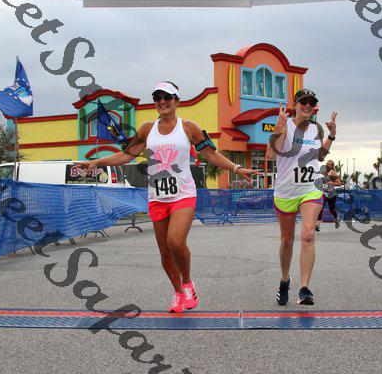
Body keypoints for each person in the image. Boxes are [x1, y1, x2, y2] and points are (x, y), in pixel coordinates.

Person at [78, 81, 259, 313]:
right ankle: (177, 292)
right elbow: (126, 155)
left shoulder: (189, 128)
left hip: (183, 193)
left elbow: (211, 154)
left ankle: (188, 284)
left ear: (176, 101)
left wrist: (236, 168)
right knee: (165, 252)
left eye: (167, 97)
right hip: (157, 196)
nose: (162, 101)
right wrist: (96, 162)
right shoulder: (147, 129)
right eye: (157, 97)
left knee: (175, 242)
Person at [268, 88, 337, 305]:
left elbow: (320, 156)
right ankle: (284, 280)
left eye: (312, 102)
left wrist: (332, 136)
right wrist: (279, 128)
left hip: (311, 189)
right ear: (295, 105)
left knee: (308, 235)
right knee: (287, 240)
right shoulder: (285, 125)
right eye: (304, 101)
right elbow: (271, 155)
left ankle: (304, 288)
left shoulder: (316, 129)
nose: (308, 105)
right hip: (286, 191)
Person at [316, 159, 342, 232]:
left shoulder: (333, 173)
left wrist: (330, 183)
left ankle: (336, 219)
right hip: (324, 193)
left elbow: (339, 183)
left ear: (332, 166)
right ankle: (317, 225)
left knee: (331, 209)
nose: (327, 165)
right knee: (321, 207)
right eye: (326, 163)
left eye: (329, 164)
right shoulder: (323, 172)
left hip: (332, 193)